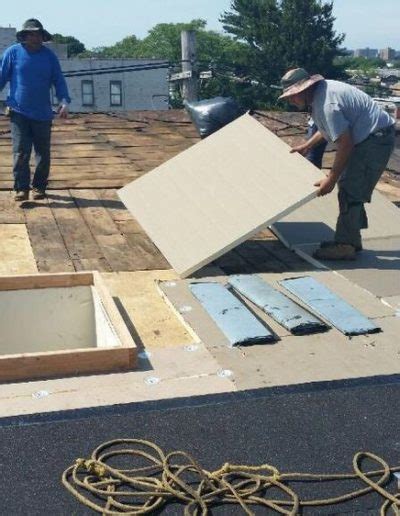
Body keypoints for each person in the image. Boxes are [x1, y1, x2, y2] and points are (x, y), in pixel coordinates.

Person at [279, 68, 395, 260]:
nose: (291, 100)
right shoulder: (320, 96)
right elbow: (328, 129)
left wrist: (331, 178)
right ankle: (350, 240)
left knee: (350, 189)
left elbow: (345, 143)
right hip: (370, 136)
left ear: (305, 89)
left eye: (293, 96)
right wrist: (307, 145)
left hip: (375, 140)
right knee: (350, 187)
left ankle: (346, 245)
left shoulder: (327, 103)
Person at [0, 18, 71, 201]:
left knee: (42, 153)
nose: (35, 37)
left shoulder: (49, 56)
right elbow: (1, 77)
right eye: (31, 34)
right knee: (21, 152)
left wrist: (63, 101)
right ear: (24, 36)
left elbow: (58, 80)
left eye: (38, 34)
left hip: (42, 113)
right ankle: (21, 188)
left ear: (42, 36)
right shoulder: (13, 53)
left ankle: (39, 187)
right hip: (18, 111)